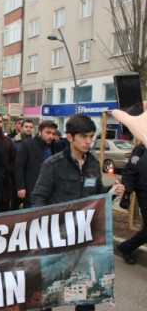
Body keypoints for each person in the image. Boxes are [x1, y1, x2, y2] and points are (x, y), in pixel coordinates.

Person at [31, 114, 124, 311]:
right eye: (84, 136)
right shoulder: (52, 165)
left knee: (86, 291)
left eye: (91, 136)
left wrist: (112, 193)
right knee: (49, 290)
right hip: (57, 237)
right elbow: (38, 199)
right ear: (70, 137)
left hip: (84, 237)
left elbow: (97, 196)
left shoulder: (91, 164)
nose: (88, 141)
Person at [14, 120, 58, 210]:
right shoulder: (27, 144)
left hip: (50, 191)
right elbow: (19, 166)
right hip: (32, 189)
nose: (51, 136)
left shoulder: (55, 146)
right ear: (39, 131)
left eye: (53, 134)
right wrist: (20, 187)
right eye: (48, 133)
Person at [116, 142, 147, 265]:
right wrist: (127, 194)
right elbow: (129, 172)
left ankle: (126, 247)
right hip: (144, 192)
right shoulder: (141, 149)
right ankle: (126, 247)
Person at [0, 113, 15, 212]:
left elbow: (12, 158)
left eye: (0, 122)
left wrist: (9, 170)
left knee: (3, 211)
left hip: (4, 183)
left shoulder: (8, 140)